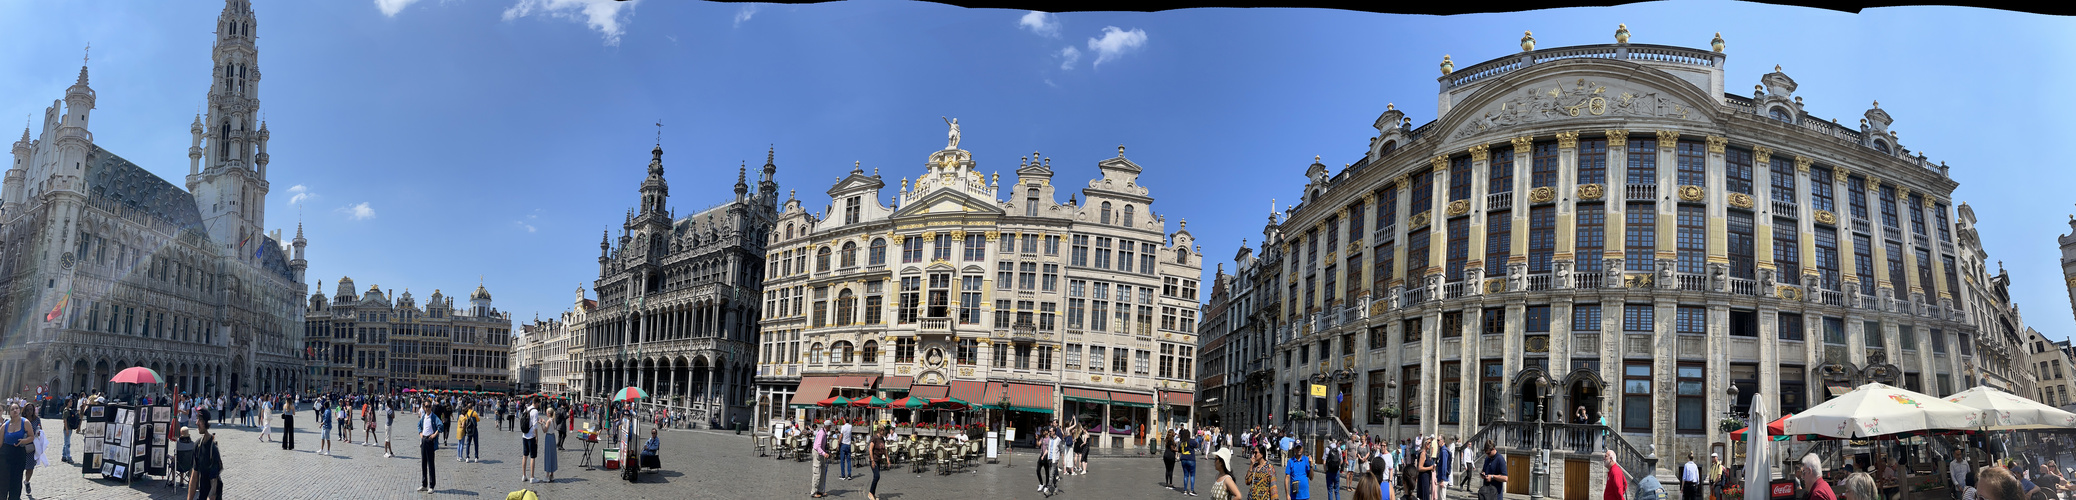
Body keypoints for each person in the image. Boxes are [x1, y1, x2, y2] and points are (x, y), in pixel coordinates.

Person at [188, 419, 222, 500]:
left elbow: (213, 487)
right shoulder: (197, 445)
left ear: (205, 423)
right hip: (203, 492)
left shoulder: (213, 449)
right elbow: (194, 476)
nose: (196, 423)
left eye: (199, 420)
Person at [417, 403, 440, 493]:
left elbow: (440, 425)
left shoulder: (433, 417)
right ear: (423, 407)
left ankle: (431, 485)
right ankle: (424, 484)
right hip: (424, 440)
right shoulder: (424, 417)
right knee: (423, 463)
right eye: (426, 407)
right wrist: (420, 433)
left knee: (430, 464)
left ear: (431, 407)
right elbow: (419, 425)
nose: (427, 408)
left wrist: (434, 435)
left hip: (430, 440)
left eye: (429, 406)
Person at [867, 427, 888, 500]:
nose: (884, 431)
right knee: (877, 476)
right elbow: (870, 449)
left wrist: (887, 459)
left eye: (884, 430)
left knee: (876, 477)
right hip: (873, 460)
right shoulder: (874, 438)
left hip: (878, 460)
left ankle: (873, 493)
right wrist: (872, 460)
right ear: (879, 430)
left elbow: (884, 449)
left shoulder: (882, 439)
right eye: (882, 430)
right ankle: (870, 493)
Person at [519, 402, 538, 483]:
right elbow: (535, 426)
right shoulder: (535, 411)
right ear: (536, 403)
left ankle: (524, 475)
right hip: (531, 436)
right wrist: (537, 436)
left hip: (524, 435)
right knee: (532, 457)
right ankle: (532, 477)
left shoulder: (526, 409)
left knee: (525, 455)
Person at [812, 421, 831, 498]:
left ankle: (820, 490)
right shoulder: (821, 433)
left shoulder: (825, 432)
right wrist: (824, 453)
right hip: (817, 453)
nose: (831, 428)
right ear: (827, 426)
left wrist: (826, 451)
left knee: (823, 471)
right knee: (817, 472)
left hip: (821, 453)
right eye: (830, 426)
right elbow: (817, 447)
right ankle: (814, 492)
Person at [540, 410, 558, 483]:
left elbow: (545, 430)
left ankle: (547, 476)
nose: (546, 413)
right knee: (552, 455)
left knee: (548, 455)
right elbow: (550, 426)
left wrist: (541, 424)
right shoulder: (552, 420)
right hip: (553, 437)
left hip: (548, 438)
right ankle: (552, 475)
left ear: (549, 413)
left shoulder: (549, 421)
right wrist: (544, 422)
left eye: (547, 412)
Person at [1183, 429, 1202, 496]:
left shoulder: (1182, 442)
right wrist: (1195, 439)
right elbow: (1197, 445)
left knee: (1185, 475)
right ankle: (1192, 490)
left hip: (1183, 459)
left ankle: (1185, 490)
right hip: (1191, 459)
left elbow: (1179, 448)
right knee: (1192, 475)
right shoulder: (1191, 441)